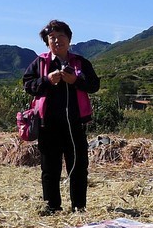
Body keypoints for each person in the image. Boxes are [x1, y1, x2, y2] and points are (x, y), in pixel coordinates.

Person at [23, 20, 100, 213]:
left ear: (69, 39)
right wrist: (47, 80)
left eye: (61, 36)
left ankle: (79, 207)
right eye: (52, 38)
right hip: (47, 125)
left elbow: (94, 85)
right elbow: (27, 85)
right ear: (47, 42)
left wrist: (75, 80)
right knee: (50, 169)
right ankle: (52, 207)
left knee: (78, 167)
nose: (57, 41)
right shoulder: (40, 63)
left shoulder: (80, 63)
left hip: (75, 124)